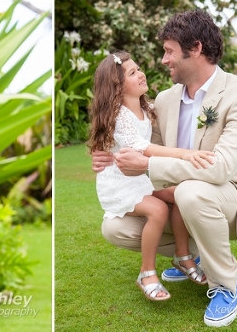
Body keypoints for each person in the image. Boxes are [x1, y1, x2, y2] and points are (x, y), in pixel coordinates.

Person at [92, 10, 237, 327]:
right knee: (115, 226)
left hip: (230, 197)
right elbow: (140, 143)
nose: (163, 60)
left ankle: (226, 285)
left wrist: (147, 164)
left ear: (197, 48)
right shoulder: (163, 99)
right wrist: (109, 156)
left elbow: (220, 169)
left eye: (169, 51)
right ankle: (189, 254)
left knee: (190, 193)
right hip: (182, 195)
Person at [88, 51, 214, 301]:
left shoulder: (147, 108)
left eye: (138, 68)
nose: (141, 73)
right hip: (120, 183)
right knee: (158, 210)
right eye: (132, 73)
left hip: (140, 178)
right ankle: (146, 273)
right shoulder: (119, 116)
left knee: (180, 194)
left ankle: (182, 257)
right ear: (117, 85)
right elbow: (143, 148)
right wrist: (184, 154)